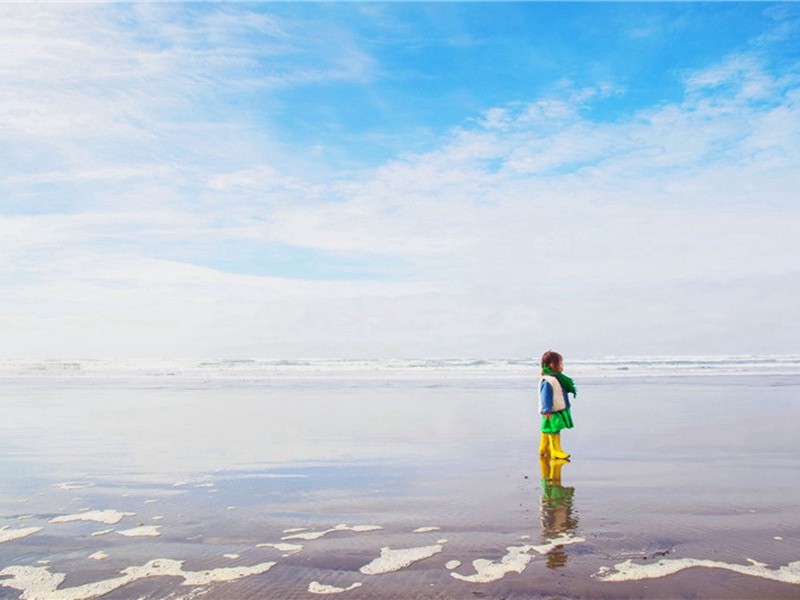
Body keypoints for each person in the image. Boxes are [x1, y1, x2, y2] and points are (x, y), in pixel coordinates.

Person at [538, 350, 576, 460]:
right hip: (551, 410)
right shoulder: (548, 380)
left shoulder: (556, 378)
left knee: (547, 428)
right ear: (551, 365)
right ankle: (555, 450)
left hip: (555, 409)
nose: (562, 366)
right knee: (555, 428)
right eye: (559, 363)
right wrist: (547, 410)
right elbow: (545, 396)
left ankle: (543, 448)